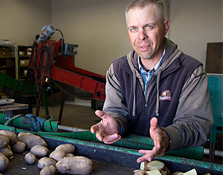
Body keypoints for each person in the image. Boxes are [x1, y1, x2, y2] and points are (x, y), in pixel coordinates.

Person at [90, 0, 213, 164]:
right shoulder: (117, 69)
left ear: (165, 27)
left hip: (174, 160)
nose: (141, 36)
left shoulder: (190, 71)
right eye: (133, 28)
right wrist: (116, 124)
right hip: (127, 157)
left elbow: (197, 125)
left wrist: (167, 137)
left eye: (149, 26)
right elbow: (116, 110)